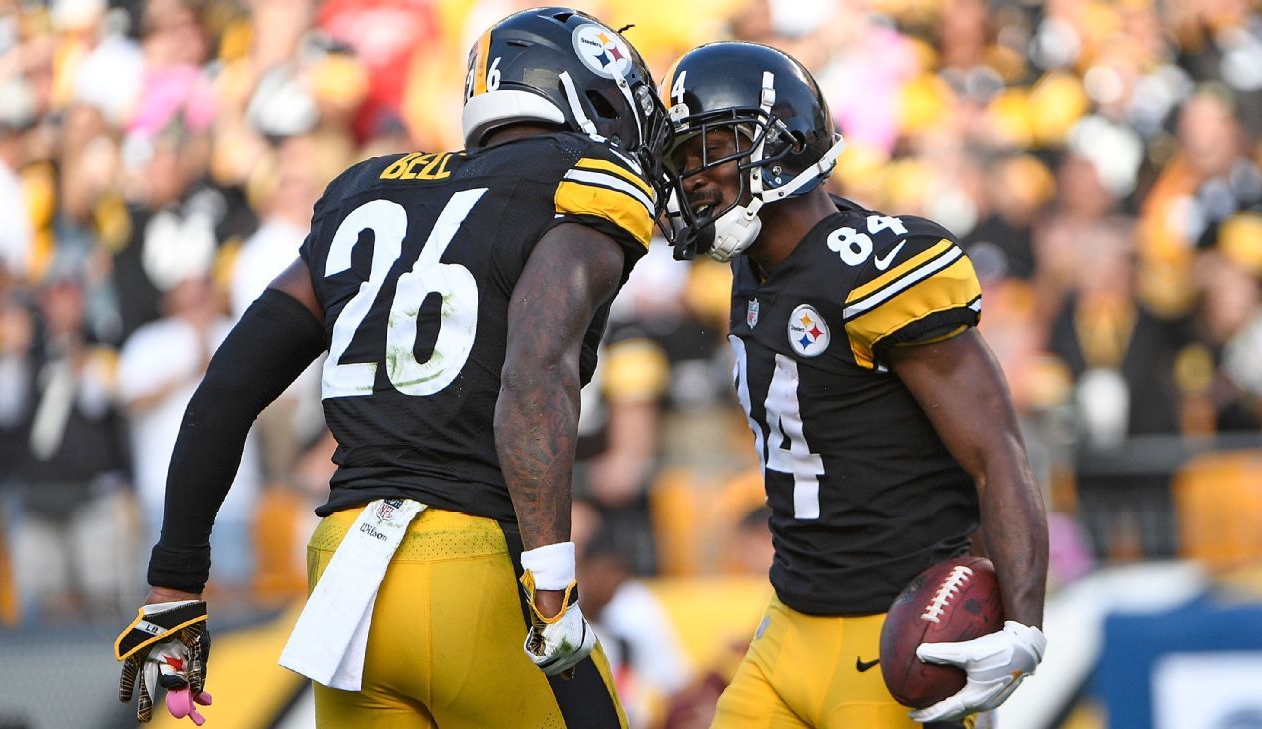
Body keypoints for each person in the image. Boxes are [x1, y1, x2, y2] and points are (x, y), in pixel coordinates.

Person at [113, 7, 671, 728]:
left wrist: (174, 589)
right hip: (477, 563)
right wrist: (552, 584)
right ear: (587, 97)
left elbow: (226, 388)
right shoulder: (579, 182)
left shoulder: (363, 189)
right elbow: (534, 375)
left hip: (347, 579)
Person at [659, 42, 1048, 728]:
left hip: (893, 641)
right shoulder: (752, 266)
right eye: (683, 160)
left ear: (776, 144)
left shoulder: (877, 268)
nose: (693, 178)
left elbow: (997, 453)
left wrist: (1023, 628)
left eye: (710, 150)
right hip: (786, 627)